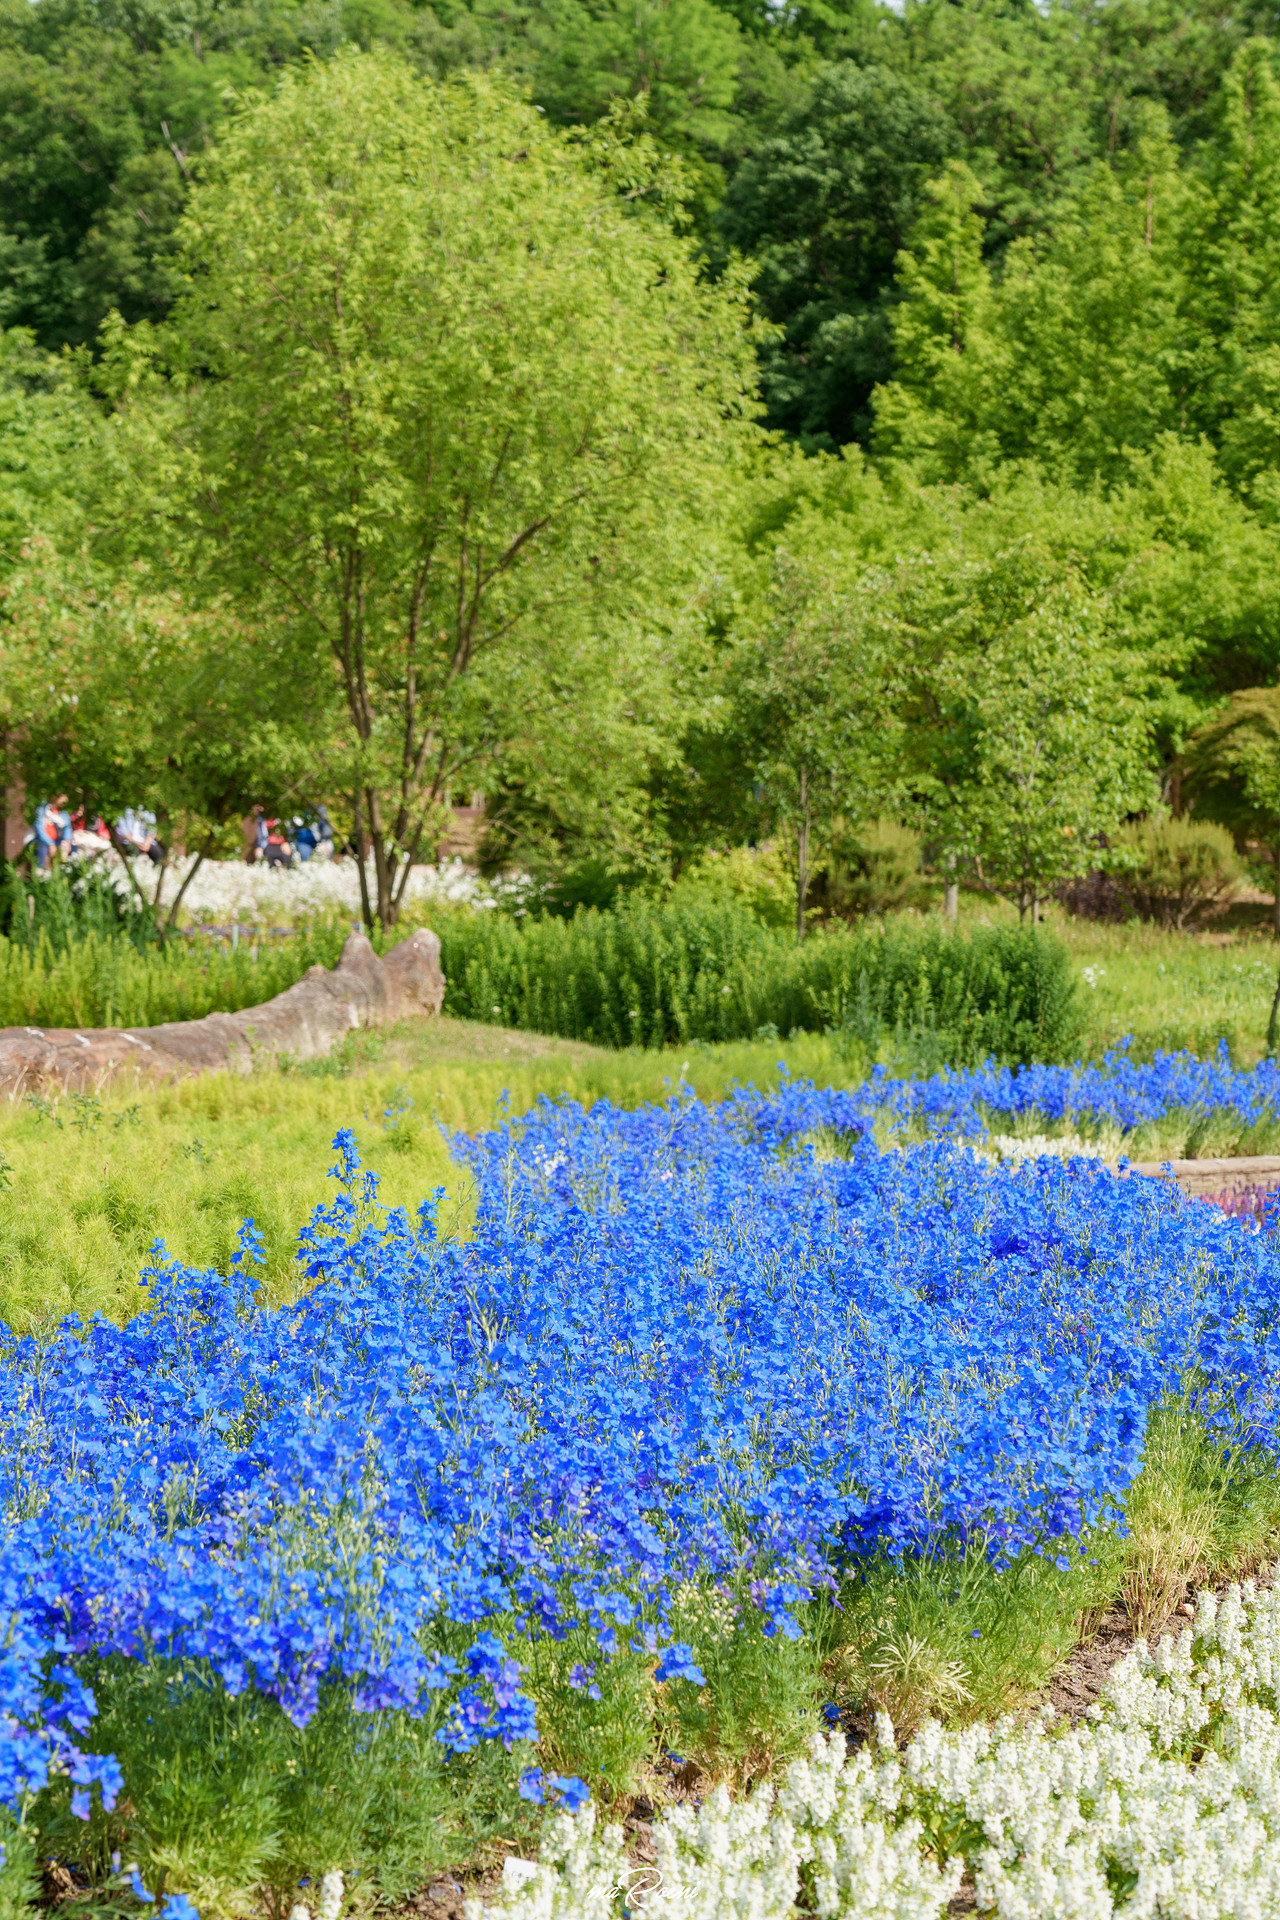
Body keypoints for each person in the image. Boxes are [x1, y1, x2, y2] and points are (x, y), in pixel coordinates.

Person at [33, 795, 69, 872]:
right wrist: (50, 843)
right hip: (43, 841)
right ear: (54, 796)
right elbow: (39, 828)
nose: (65, 800)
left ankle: (64, 871)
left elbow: (67, 828)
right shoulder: (42, 810)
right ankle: (39, 871)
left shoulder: (64, 813)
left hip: (58, 841)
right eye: (62, 796)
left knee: (67, 849)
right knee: (41, 849)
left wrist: (67, 840)